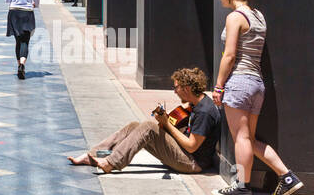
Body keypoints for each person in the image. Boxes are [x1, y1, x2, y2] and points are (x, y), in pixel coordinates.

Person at [211, 0, 303, 195]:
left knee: (241, 139)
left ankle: (242, 186)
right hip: (256, 84)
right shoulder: (258, 16)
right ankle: (287, 176)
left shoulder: (235, 17)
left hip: (239, 82)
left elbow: (230, 55)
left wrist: (219, 87)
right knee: (249, 140)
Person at [68, 67, 222, 175]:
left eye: (176, 88)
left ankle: (111, 163)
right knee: (135, 126)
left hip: (192, 163)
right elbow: (180, 119)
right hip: (184, 154)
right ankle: (92, 155)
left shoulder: (204, 112)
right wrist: (166, 119)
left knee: (148, 127)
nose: (174, 91)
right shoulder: (195, 103)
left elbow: (191, 147)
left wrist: (167, 124)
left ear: (186, 88)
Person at [3, 0, 41, 78]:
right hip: (27, 12)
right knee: (25, 40)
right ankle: (23, 64)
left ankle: (19, 64)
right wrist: (34, 4)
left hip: (14, 12)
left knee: (18, 40)